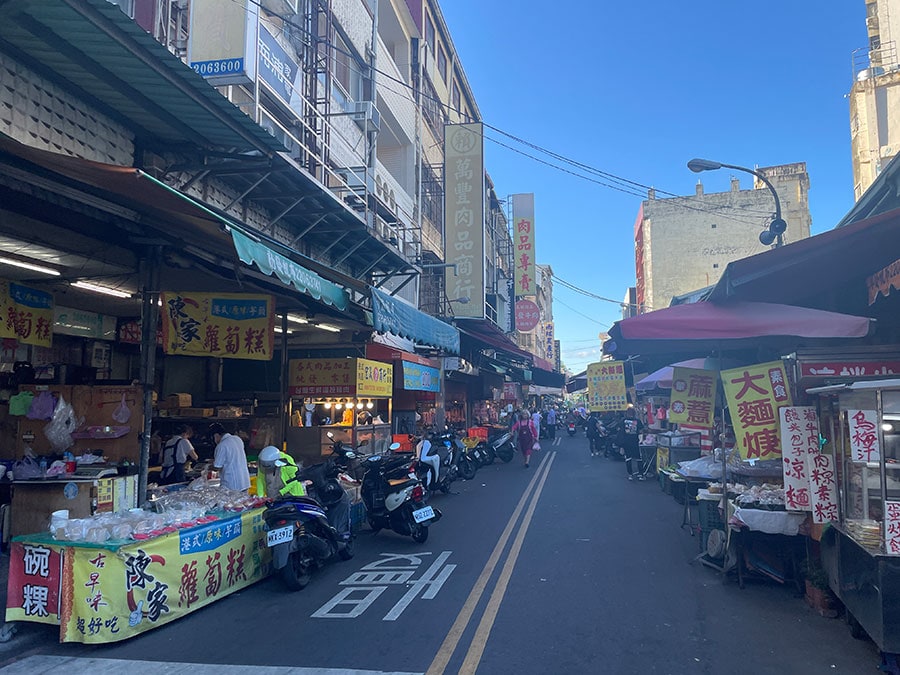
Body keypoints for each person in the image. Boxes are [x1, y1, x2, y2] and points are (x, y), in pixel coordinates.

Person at [209, 422, 251, 492]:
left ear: (216, 435)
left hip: (232, 485)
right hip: (244, 482)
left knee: (232, 503)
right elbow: (231, 457)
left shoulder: (222, 445)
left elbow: (217, 467)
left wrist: (208, 467)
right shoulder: (237, 439)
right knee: (244, 502)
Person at [620, 408, 646, 480]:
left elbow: (621, 432)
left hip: (626, 442)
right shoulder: (637, 421)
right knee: (638, 458)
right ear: (634, 413)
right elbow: (641, 431)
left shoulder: (623, 421)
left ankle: (630, 475)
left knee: (628, 458)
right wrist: (641, 439)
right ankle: (641, 474)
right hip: (635, 442)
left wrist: (621, 445)